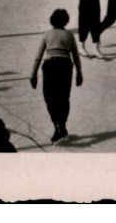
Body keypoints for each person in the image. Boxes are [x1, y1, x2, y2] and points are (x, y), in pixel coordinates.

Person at [30, 8, 83, 142]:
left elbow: (38, 56)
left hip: (50, 67)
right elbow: (76, 56)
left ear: (52, 20)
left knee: (50, 98)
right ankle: (62, 125)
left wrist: (33, 74)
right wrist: (79, 73)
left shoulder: (47, 34)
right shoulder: (69, 35)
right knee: (63, 98)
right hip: (65, 67)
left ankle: (57, 125)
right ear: (66, 21)